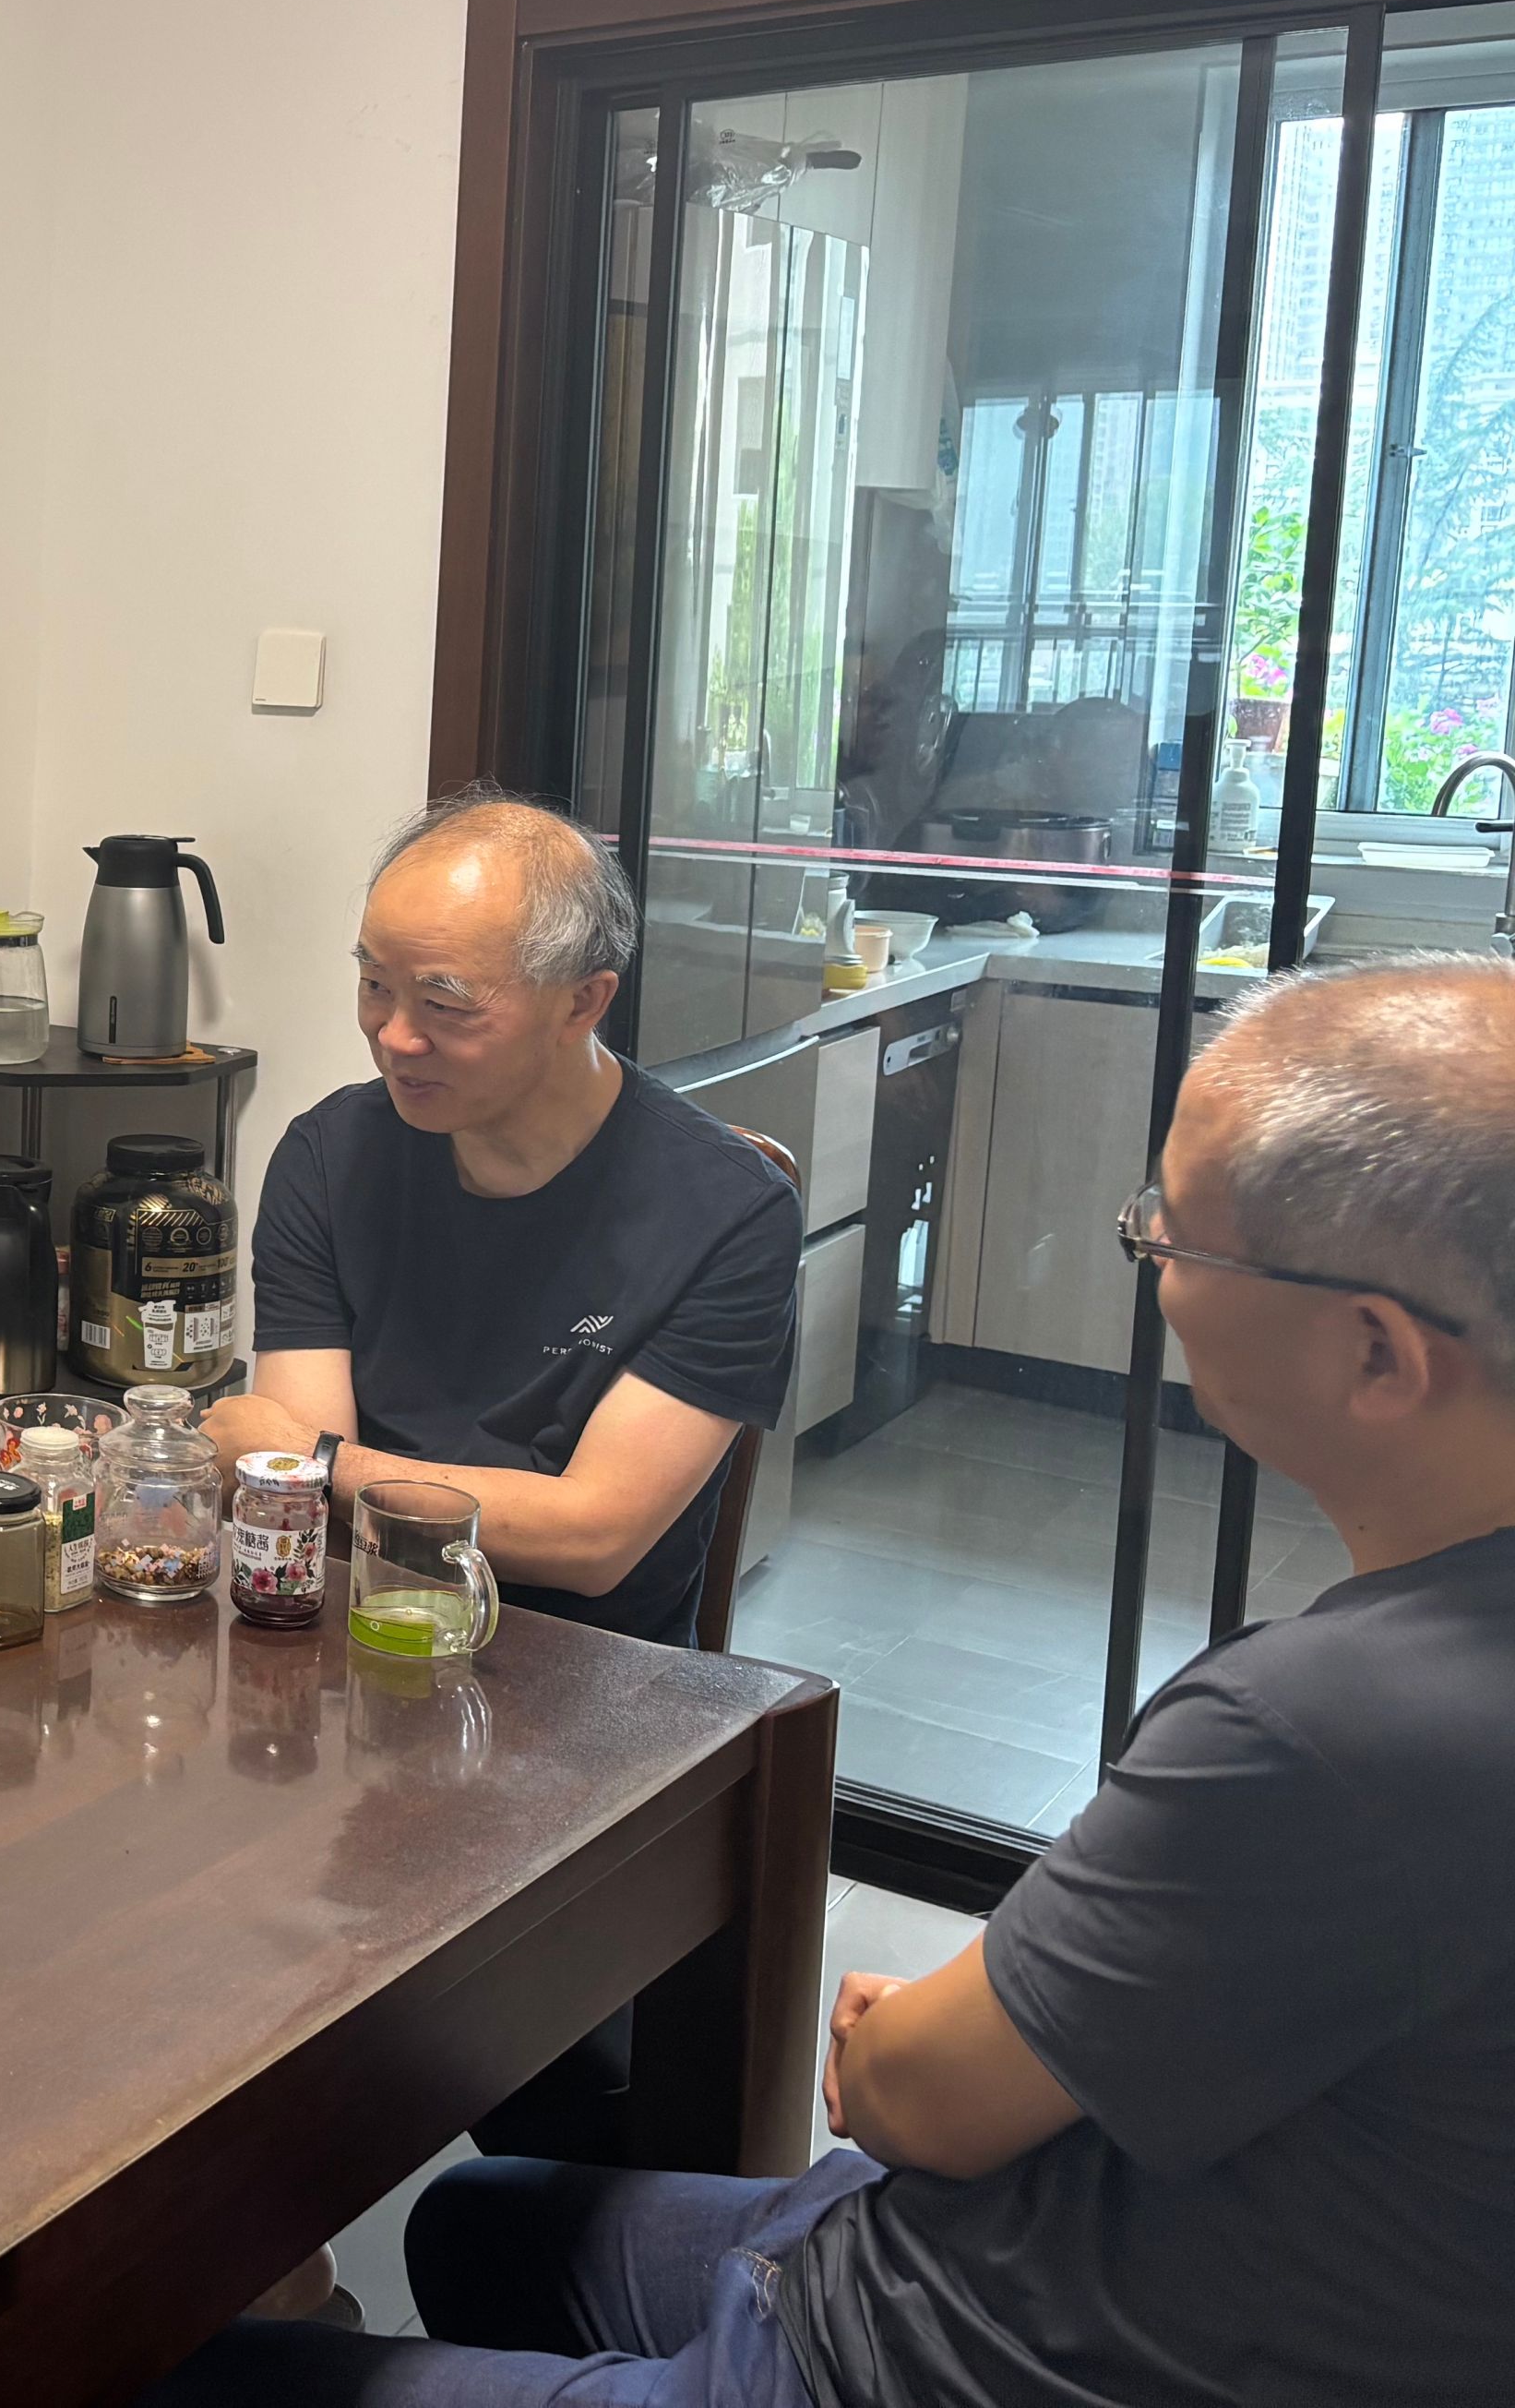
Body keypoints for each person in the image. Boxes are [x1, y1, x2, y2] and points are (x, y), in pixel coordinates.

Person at [149, 950, 1515, 2405]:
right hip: (992, 2244)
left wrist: (919, 2041)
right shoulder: (1398, 1672)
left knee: (160, 2367)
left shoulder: (1327, 1730)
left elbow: (906, 2096)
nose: (1157, 1266)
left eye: (1176, 1237)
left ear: (1377, 1357)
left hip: (948, 2352)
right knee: (475, 2222)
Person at [203, 789, 800, 1647]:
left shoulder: (730, 1212)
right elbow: (305, 1510)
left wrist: (318, 1461)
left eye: (445, 1004)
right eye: (374, 985)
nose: (395, 1036)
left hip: (588, 1667)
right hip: (360, 1625)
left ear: (583, 1003)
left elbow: (593, 1539)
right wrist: (304, 1467)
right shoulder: (332, 1156)